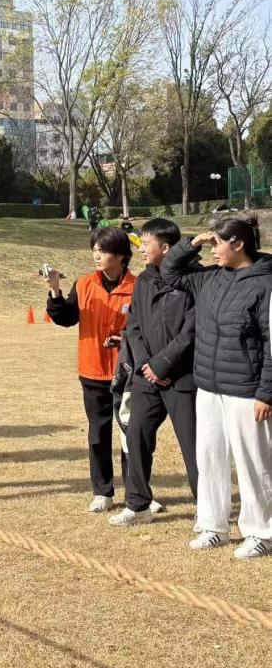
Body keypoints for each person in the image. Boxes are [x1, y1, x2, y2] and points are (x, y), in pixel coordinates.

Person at [161, 216, 272, 558]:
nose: (212, 250)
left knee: (254, 464)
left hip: (247, 391)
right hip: (208, 387)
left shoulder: (265, 284)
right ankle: (213, 526)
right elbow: (170, 272)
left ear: (239, 243)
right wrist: (192, 242)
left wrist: (266, 392)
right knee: (209, 459)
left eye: (217, 243)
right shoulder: (208, 278)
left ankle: (261, 532)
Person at [110, 219, 197, 526]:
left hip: (182, 378)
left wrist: (162, 364)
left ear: (167, 248)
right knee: (136, 437)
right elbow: (133, 326)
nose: (141, 249)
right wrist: (147, 365)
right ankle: (137, 505)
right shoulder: (145, 280)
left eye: (146, 244)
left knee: (194, 446)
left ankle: (209, 510)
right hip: (146, 378)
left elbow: (192, 331)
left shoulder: (193, 279)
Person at [46, 227, 136, 513]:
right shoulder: (84, 284)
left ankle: (137, 492)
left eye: (103, 250)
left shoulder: (139, 285)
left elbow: (146, 327)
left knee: (131, 433)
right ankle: (102, 491)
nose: (97, 255)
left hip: (127, 371)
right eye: (94, 249)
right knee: (98, 433)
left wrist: (125, 339)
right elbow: (66, 318)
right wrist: (55, 291)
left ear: (120, 255)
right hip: (92, 370)